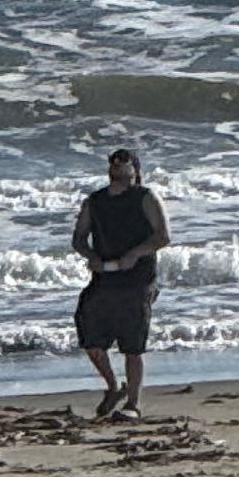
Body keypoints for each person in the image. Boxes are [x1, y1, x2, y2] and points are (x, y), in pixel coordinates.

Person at [72, 144, 170, 421]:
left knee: (132, 343)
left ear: (135, 169)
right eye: (114, 161)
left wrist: (134, 254)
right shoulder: (95, 201)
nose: (118, 164)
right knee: (89, 332)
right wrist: (90, 256)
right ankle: (113, 387)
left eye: (124, 161)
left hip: (138, 278)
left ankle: (134, 404)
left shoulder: (146, 197)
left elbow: (163, 236)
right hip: (104, 276)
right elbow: (78, 239)